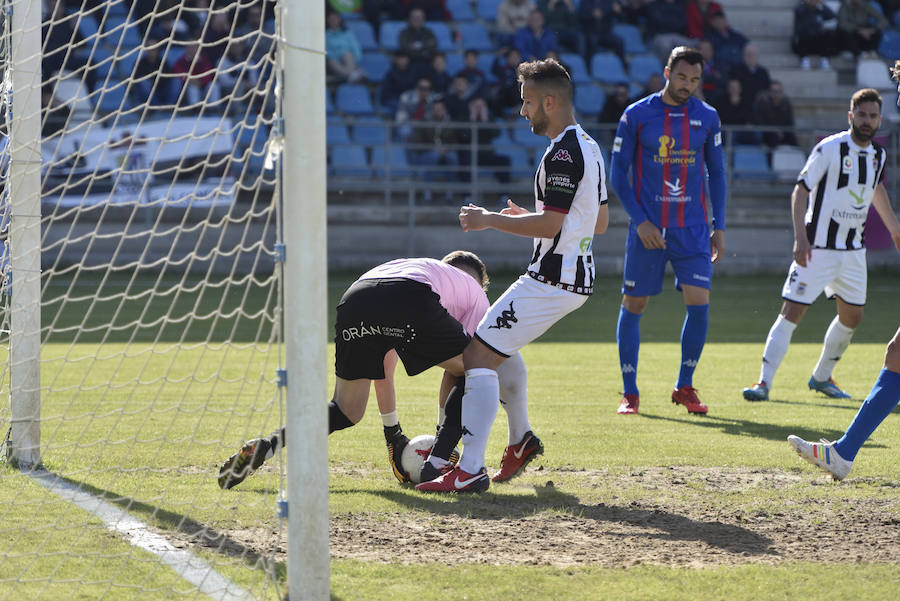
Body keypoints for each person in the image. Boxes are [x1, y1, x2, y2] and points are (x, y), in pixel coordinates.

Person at [416, 58, 609, 493]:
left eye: (526, 102)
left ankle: (469, 470)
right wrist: (536, 217)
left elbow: (551, 227)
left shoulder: (563, 153)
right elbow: (597, 222)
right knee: (497, 351)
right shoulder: (589, 147)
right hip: (571, 278)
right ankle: (519, 439)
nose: (523, 111)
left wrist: (488, 220)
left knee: (478, 357)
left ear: (549, 100)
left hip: (552, 280)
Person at [218, 251, 484, 488]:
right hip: (408, 295)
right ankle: (437, 464)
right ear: (481, 285)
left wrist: (393, 435)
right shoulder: (476, 297)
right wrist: (443, 440)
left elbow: (384, 370)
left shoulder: (428, 271)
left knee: (346, 409)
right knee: (477, 368)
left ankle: (269, 445)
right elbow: (469, 369)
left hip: (357, 297)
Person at [743, 88, 900, 402]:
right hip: (818, 247)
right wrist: (801, 238)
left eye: (872, 116)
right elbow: (800, 191)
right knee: (792, 311)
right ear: (850, 116)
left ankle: (821, 376)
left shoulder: (878, 155)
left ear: (879, 119)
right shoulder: (829, 148)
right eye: (862, 114)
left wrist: (895, 229)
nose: (867, 121)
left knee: (852, 317)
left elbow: (876, 188)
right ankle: (763, 382)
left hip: (854, 251)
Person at [609, 46, 727, 416]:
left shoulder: (707, 117)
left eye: (694, 79)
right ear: (666, 72)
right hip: (648, 229)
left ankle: (685, 386)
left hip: (692, 230)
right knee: (634, 304)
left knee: (699, 303)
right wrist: (640, 220)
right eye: (681, 77)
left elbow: (717, 174)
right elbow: (617, 174)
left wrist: (718, 227)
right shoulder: (637, 115)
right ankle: (630, 392)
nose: (687, 85)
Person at [792, 0, 838, 70]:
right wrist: (818, 29)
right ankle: (804, 59)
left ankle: (824, 59)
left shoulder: (820, 10)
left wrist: (823, 5)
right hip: (803, 42)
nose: (813, 1)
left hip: (816, 41)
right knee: (803, 35)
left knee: (829, 34)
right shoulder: (801, 9)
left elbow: (832, 16)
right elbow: (803, 27)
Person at [753, 80, 798, 148]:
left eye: (779, 91)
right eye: (775, 91)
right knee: (772, 138)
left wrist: (782, 132)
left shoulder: (786, 104)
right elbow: (760, 122)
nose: (777, 94)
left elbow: (790, 122)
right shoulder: (763, 104)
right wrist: (775, 131)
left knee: (793, 139)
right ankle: (771, 158)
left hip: (783, 132)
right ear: (769, 92)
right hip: (768, 132)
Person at [325, 10, 365, 84]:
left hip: (349, 61)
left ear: (339, 20)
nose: (333, 21)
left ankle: (347, 75)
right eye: (331, 19)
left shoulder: (347, 33)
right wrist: (338, 55)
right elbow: (327, 52)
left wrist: (355, 61)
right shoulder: (326, 35)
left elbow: (356, 48)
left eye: (335, 19)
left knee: (347, 54)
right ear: (327, 21)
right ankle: (353, 74)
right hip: (335, 62)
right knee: (332, 61)